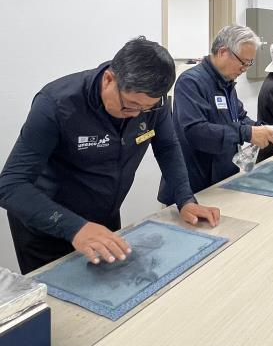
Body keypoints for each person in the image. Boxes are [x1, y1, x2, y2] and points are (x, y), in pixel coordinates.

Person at [0, 37, 220, 274]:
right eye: (130, 105)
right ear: (108, 79)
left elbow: (167, 147)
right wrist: (75, 227)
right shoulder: (56, 104)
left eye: (145, 109)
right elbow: (10, 185)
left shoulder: (152, 104)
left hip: (103, 219)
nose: (136, 115)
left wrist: (185, 199)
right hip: (49, 227)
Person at [160, 26, 273, 198]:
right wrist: (248, 133)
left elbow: (240, 118)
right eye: (243, 62)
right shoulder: (190, 82)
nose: (245, 68)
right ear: (223, 52)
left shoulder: (227, 82)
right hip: (194, 186)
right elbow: (196, 132)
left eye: (249, 63)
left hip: (222, 179)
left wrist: (266, 129)